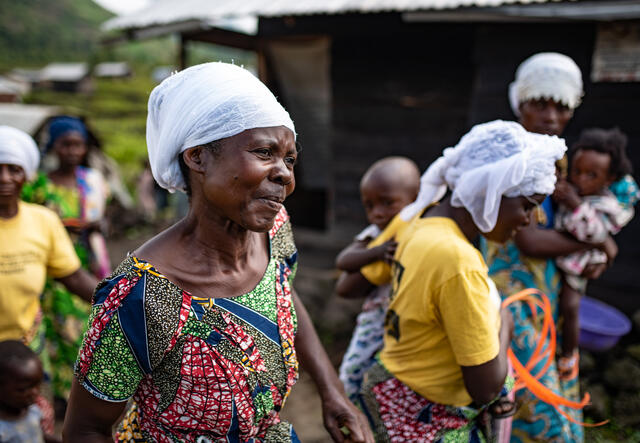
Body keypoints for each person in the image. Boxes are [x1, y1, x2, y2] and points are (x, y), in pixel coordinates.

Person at [63, 62, 373, 443]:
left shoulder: (273, 229)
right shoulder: (139, 297)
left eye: (289, 159)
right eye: (264, 152)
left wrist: (331, 392)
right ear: (197, 158)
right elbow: (85, 429)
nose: (285, 174)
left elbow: (283, 296)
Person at [352, 120, 566, 442]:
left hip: (391, 386)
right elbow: (485, 388)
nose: (532, 220)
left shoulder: (420, 224)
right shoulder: (459, 262)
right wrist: (503, 321)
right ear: (490, 189)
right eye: (526, 206)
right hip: (427, 412)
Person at [480, 52, 630, 442]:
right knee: (529, 397)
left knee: (543, 393)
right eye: (539, 103)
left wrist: (600, 241)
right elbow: (528, 239)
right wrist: (602, 243)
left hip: (544, 298)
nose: (550, 115)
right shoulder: (511, 156)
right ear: (520, 104)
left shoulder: (560, 162)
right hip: (509, 299)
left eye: (560, 106)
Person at [0, 125, 97, 434]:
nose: (4, 178)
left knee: (28, 426)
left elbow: (73, 277)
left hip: (26, 352)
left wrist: (123, 299)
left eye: (14, 169)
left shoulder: (42, 222)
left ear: (26, 176)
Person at [22, 116, 111, 404]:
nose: (72, 151)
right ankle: (60, 397)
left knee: (82, 331)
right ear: (53, 147)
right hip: (49, 270)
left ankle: (77, 394)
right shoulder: (38, 186)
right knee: (54, 331)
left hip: (85, 265)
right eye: (66, 145)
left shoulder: (93, 182)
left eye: (78, 145)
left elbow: (103, 219)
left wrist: (92, 226)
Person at [335, 156, 420, 401]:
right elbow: (344, 261)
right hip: (376, 318)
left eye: (387, 202)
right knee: (352, 370)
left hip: (407, 320)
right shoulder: (375, 235)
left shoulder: (422, 230)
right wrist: (377, 252)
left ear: (415, 198)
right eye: (369, 206)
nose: (378, 213)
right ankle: (350, 411)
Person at [554, 128, 636, 376]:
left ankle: (568, 355)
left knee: (570, 307)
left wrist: (574, 204)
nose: (580, 179)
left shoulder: (605, 204)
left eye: (591, 175)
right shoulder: (577, 191)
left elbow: (594, 233)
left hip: (577, 267)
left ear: (608, 179)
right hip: (562, 262)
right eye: (576, 171)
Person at [0, 340, 60, 443]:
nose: (35, 392)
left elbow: (36, 433)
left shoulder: (33, 409)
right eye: (23, 389)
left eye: (37, 385)